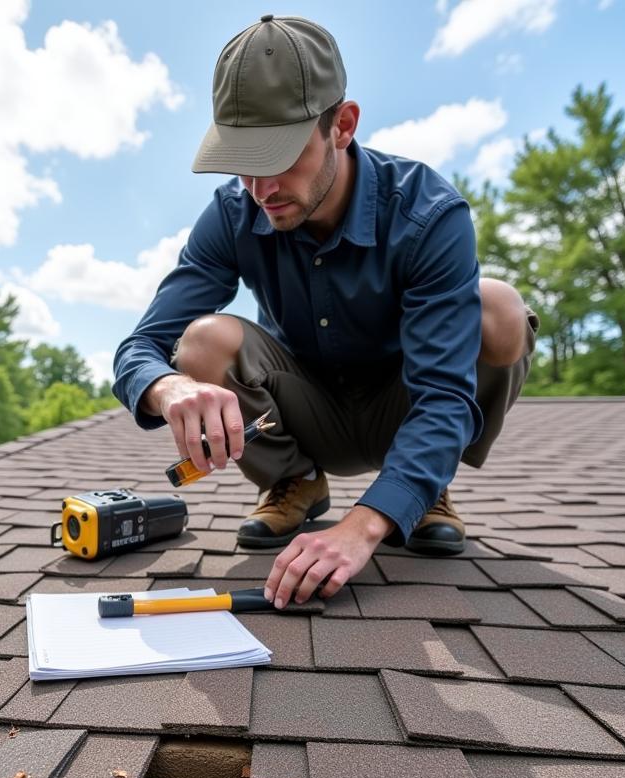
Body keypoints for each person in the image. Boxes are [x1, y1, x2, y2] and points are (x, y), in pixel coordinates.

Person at [112, 14, 536, 609]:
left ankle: (422, 487)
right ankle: (295, 480)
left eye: (280, 156)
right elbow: (139, 347)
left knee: (498, 309)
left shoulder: (429, 213)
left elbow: (443, 395)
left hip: (405, 407)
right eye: (242, 159)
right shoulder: (233, 214)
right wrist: (167, 387)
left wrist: (361, 528)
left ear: (343, 124)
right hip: (304, 416)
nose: (261, 188)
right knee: (199, 343)